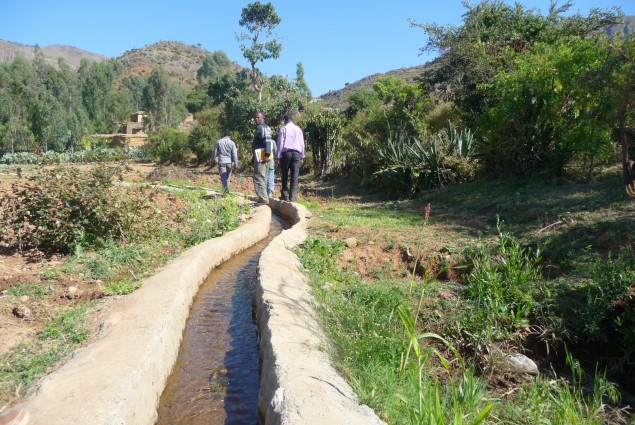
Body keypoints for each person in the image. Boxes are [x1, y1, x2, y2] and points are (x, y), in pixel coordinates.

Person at [276, 114, 305, 202]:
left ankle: (285, 195)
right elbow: (302, 143)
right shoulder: (298, 129)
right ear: (292, 120)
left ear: (285, 121)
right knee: (294, 176)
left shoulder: (283, 129)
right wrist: (302, 156)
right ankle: (293, 197)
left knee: (284, 174)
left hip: (286, 154)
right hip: (296, 154)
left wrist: (278, 156)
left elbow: (280, 143)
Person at [251, 112, 274, 204]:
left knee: (258, 177)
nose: (256, 119)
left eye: (258, 117)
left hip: (263, 157)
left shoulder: (262, 127)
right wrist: (254, 157)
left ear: (263, 118)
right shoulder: (263, 127)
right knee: (262, 178)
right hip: (260, 156)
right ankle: (263, 199)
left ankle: (264, 200)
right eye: (255, 118)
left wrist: (267, 154)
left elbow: (268, 141)